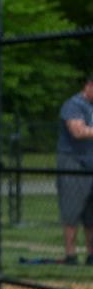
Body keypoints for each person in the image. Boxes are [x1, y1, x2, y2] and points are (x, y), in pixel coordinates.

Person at [56, 73, 93, 265]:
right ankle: (70, 255)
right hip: (73, 162)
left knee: (91, 213)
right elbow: (77, 131)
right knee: (72, 209)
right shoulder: (73, 104)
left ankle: (91, 255)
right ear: (89, 86)